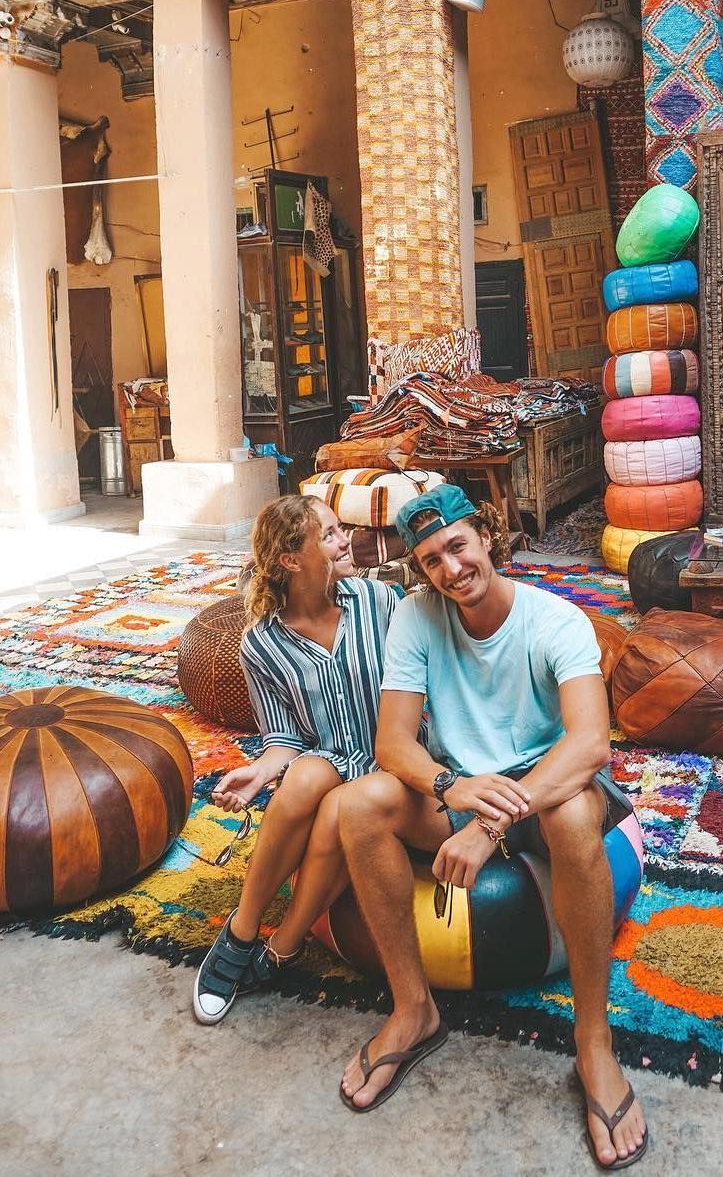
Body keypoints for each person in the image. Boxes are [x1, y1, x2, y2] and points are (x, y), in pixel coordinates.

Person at [336, 483, 648, 1170]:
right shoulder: (417, 616)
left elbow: (590, 744)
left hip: (547, 787)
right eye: (431, 560)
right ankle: (414, 1010)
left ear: (486, 535)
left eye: (458, 546)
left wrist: (489, 826)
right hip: (464, 785)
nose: (450, 569)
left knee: (574, 815)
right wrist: (451, 788)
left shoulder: (555, 620)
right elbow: (393, 741)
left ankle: (593, 1043)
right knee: (358, 805)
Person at [192, 494, 401, 1026]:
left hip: (396, 756)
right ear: (291, 559)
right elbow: (283, 737)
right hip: (331, 755)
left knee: (336, 807)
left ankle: (281, 946)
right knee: (304, 775)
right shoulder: (260, 645)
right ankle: (241, 931)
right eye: (329, 535)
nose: (345, 541)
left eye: (340, 529)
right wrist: (262, 770)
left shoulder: (379, 601)